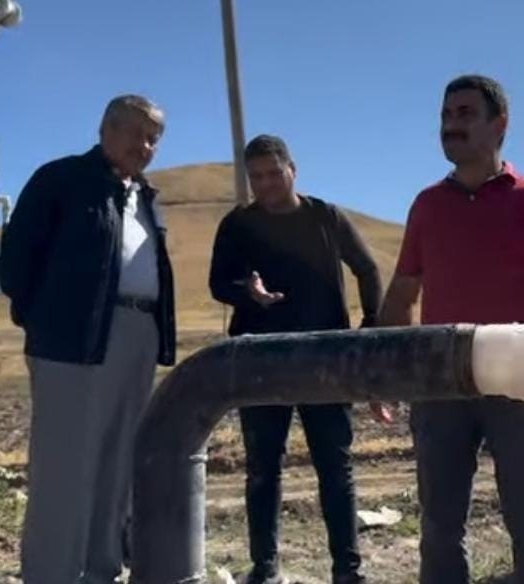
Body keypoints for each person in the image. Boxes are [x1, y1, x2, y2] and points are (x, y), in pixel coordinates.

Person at [375, 75, 524, 584]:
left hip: (517, 377)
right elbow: (402, 293)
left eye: (466, 114)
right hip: (439, 381)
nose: (451, 125)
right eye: (446, 115)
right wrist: (385, 373)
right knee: (439, 526)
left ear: (500, 125)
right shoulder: (427, 205)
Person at [0, 95, 177, 583]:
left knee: (119, 461)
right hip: (71, 339)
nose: (145, 147)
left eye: (154, 139)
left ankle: (102, 569)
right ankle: (52, 574)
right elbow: (15, 265)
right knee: (64, 465)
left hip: (138, 332)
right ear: (106, 129)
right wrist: (46, 319)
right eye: (137, 134)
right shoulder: (61, 180)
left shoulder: (145, 196)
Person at [209, 134, 381, 584]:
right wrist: (247, 291)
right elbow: (217, 282)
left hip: (325, 357)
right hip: (260, 359)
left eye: (274, 173)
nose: (266, 184)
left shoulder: (325, 217)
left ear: (293, 170)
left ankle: (347, 570)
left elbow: (367, 268)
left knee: (335, 465)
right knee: (262, 466)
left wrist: (370, 329)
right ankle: (265, 568)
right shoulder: (238, 224)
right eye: (257, 177)